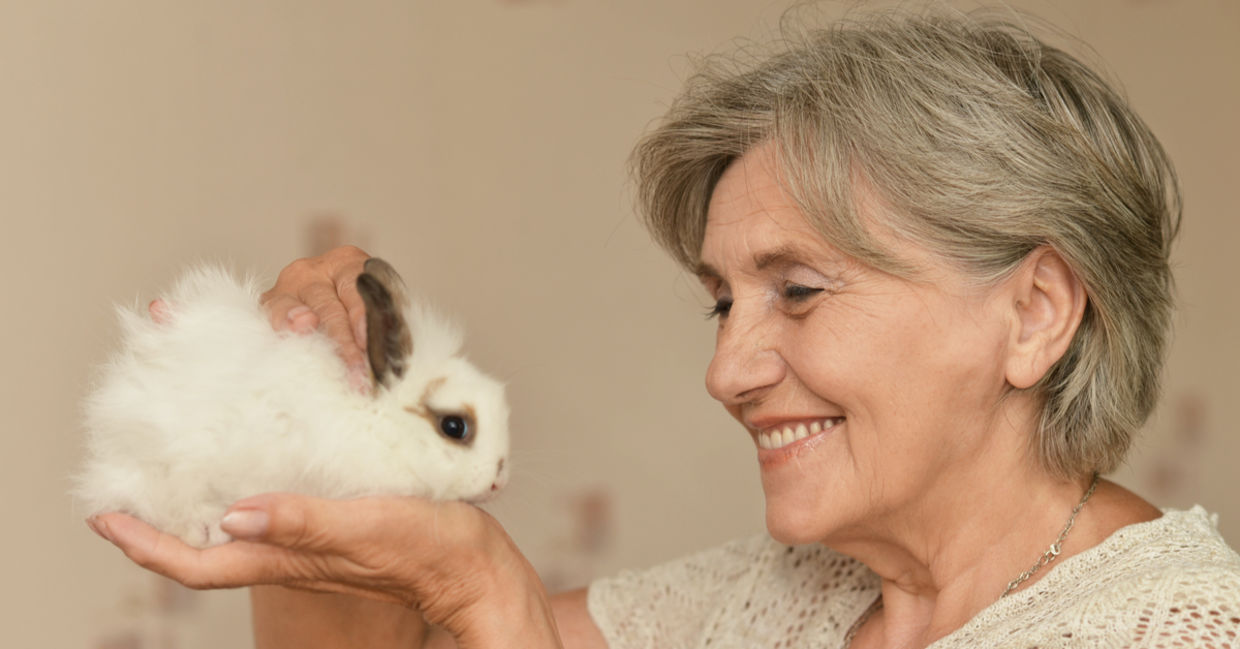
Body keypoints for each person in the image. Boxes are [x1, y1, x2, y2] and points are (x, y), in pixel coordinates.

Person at [86, 9, 1240, 648]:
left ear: (1033, 314)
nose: (726, 369)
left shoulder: (1175, 632)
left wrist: (489, 595)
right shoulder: (779, 596)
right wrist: (318, 444)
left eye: (797, 289)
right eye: (721, 298)